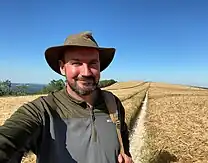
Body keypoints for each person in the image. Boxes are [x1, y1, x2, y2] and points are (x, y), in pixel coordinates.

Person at [0, 31, 133, 163]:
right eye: (76, 63)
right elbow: (7, 140)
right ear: (62, 67)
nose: (86, 72)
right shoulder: (42, 111)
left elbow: (123, 136)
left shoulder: (112, 103)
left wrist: (126, 155)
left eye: (93, 63)